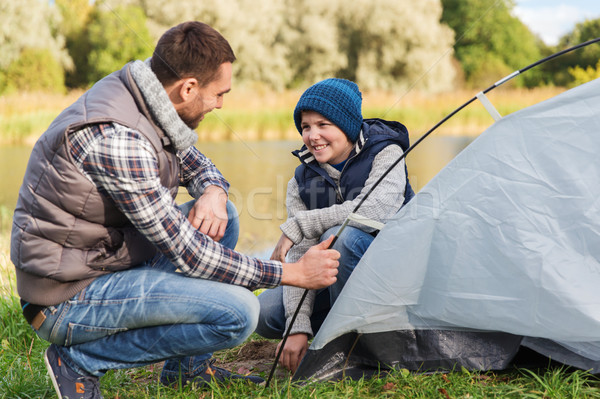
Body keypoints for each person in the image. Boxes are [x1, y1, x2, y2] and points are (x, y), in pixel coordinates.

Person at [10, 21, 340, 398]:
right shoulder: (119, 140)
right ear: (188, 88)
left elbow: (195, 163)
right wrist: (291, 273)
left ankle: (187, 371)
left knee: (224, 215)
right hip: (65, 299)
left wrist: (214, 190)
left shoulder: (146, 96)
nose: (220, 104)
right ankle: (80, 361)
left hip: (101, 261)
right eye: (219, 94)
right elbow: (191, 256)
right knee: (239, 314)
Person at [255, 78, 415, 373]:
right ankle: (328, 330)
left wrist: (303, 222)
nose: (312, 135)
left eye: (323, 124)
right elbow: (299, 253)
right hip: (333, 282)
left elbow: (376, 209)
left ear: (347, 125)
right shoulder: (300, 180)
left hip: (393, 279)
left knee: (340, 237)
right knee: (265, 312)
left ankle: (357, 344)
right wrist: (296, 327)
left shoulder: (386, 152)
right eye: (305, 126)